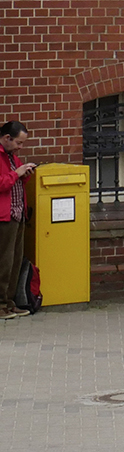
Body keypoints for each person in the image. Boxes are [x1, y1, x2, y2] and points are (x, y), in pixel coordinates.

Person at [0, 121, 36, 319]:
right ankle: (0, 304)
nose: (20, 147)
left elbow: (14, 179)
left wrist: (25, 175)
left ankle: (10, 302)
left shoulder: (11, 157)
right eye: (19, 143)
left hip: (17, 213)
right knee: (4, 262)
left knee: (15, 260)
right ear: (7, 138)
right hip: (4, 216)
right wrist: (16, 173)